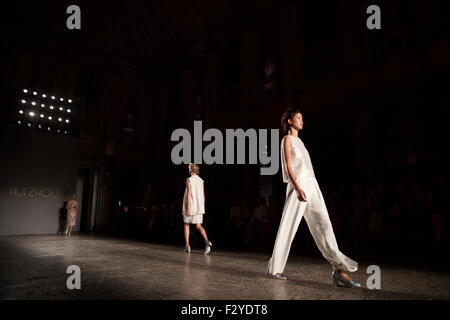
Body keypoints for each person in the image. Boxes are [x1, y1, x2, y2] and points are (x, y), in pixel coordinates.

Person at [267, 107, 360, 288]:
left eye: (302, 118)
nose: (302, 121)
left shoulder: (301, 142)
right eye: (298, 118)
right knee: (289, 224)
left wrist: (313, 188)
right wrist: (297, 186)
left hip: (312, 184)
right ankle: (276, 268)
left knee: (324, 224)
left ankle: (338, 270)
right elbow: (288, 166)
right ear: (289, 121)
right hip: (298, 184)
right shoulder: (287, 139)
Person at [182, 163, 213, 255]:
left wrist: (188, 207)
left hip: (191, 205)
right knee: (198, 226)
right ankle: (207, 242)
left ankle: (187, 245)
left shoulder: (189, 180)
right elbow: (203, 195)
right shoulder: (201, 180)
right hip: (199, 206)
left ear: (191, 170)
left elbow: (189, 194)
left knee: (186, 224)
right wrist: (201, 206)